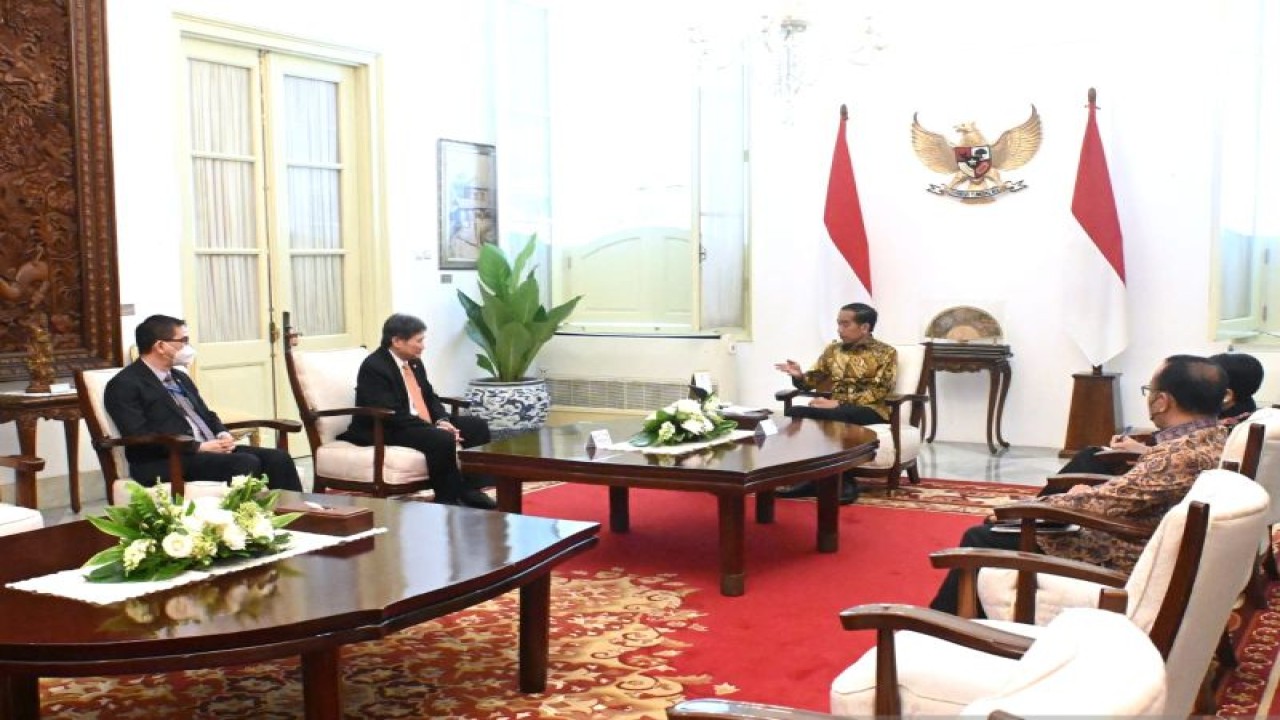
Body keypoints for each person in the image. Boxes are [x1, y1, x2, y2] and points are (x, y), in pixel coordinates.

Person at [929, 354, 1229, 616]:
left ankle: (939, 628)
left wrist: (1022, 510)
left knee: (983, 536)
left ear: (1163, 401)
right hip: (1138, 532)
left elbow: (1104, 505)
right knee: (1021, 516)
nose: (1149, 397)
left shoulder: (1179, 456)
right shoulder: (1214, 438)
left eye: (1150, 391)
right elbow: (1122, 496)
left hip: (1121, 549)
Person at [104, 314, 303, 492]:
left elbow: (206, 414)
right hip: (164, 460)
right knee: (243, 463)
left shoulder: (180, 377)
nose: (188, 347)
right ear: (160, 346)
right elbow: (140, 436)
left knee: (279, 458)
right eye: (183, 341)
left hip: (206, 449)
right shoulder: (125, 384)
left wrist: (222, 433)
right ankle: (245, 526)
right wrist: (199, 447)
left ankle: (299, 521)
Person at [338, 313, 496, 509]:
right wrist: (436, 429)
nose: (423, 346)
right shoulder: (375, 366)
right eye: (418, 340)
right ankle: (447, 498)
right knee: (440, 438)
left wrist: (441, 420)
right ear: (396, 341)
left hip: (415, 423)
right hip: (386, 427)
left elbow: (430, 396)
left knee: (476, 426)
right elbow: (391, 412)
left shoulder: (413, 362)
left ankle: (471, 490)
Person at [1049, 351, 1263, 479]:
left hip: (1107, 539)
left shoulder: (1183, 456)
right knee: (1094, 455)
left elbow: (1177, 464)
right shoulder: (1225, 428)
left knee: (1092, 458)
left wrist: (1145, 453)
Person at [772, 302, 898, 503]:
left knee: (834, 415)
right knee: (795, 411)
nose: (839, 329)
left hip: (871, 409)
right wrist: (799, 376)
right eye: (838, 324)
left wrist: (838, 404)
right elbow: (811, 381)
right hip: (836, 409)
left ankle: (843, 483)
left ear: (864, 327)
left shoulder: (886, 353)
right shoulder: (833, 351)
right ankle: (814, 478)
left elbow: (879, 391)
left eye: (845, 324)